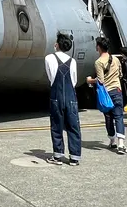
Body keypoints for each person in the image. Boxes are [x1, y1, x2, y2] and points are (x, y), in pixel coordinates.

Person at [45, 33, 81, 165]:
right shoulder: (73, 61)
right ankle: (75, 157)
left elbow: (50, 77)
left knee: (56, 125)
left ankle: (58, 155)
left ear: (57, 44)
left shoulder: (49, 58)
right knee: (73, 126)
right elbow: (74, 80)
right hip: (71, 96)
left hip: (56, 95)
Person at [87, 38, 127, 155]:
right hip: (117, 90)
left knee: (108, 117)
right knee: (119, 116)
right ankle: (121, 144)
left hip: (107, 92)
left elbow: (101, 80)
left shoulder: (98, 62)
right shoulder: (116, 59)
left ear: (98, 47)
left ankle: (112, 140)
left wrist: (90, 80)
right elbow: (120, 74)